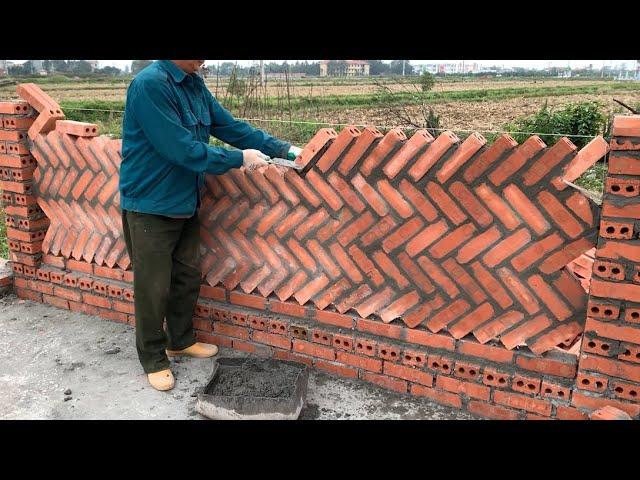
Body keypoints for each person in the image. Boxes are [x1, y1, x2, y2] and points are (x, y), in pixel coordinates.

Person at [119, 60, 301, 391]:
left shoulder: (194, 84)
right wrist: (238, 158)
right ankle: (153, 358)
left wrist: (285, 150)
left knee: (186, 276)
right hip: (150, 204)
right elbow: (180, 149)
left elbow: (231, 128)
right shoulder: (150, 86)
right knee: (153, 286)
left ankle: (180, 339)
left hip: (185, 200)